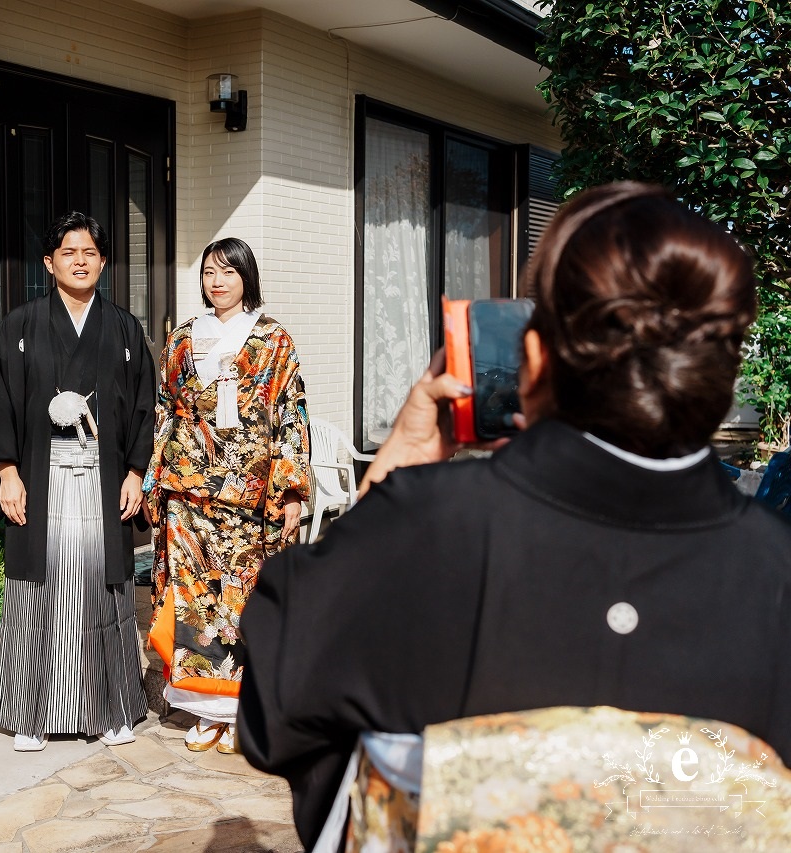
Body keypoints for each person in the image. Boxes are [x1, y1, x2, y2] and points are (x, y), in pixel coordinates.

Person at [237, 182, 791, 849]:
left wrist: (391, 477)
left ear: (532, 359)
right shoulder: (777, 569)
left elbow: (275, 711)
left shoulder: (421, 525)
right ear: (720, 381)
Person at [0, 211, 156, 752]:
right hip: (38, 476)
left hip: (103, 478)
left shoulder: (124, 328)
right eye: (69, 252)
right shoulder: (21, 325)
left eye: (90, 252)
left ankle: (113, 708)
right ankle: (32, 717)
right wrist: (6, 471)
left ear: (104, 262)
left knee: (104, 588)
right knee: (38, 588)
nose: (80, 261)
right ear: (49, 262)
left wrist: (135, 471)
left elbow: (145, 407)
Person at [144, 237, 311, 754]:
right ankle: (204, 709)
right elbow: (166, 410)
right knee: (194, 599)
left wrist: (291, 490)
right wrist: (155, 480)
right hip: (188, 488)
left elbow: (291, 413)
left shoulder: (273, 339)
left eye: (228, 272)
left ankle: (244, 707)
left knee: (243, 596)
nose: (217, 282)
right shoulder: (181, 340)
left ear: (247, 278)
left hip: (251, 491)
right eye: (209, 272)